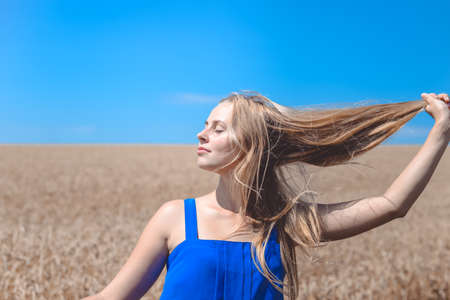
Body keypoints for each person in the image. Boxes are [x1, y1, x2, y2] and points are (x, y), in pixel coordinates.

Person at [82, 91, 449, 300]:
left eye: (217, 128)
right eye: (204, 125)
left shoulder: (287, 223)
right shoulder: (175, 217)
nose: (200, 135)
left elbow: (391, 205)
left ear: (251, 144)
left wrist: (440, 133)